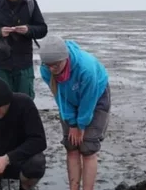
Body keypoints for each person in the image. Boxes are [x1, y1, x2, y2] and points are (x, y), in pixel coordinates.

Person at [39, 36, 111, 190]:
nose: (52, 69)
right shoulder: (46, 70)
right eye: (48, 65)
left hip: (96, 96)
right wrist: (72, 123)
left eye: (56, 65)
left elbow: (88, 101)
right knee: (71, 146)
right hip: (68, 100)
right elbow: (59, 97)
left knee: (87, 148)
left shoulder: (86, 68)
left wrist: (81, 125)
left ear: (65, 58)